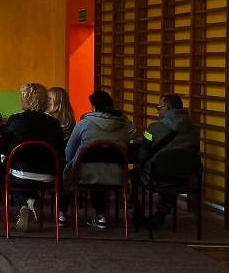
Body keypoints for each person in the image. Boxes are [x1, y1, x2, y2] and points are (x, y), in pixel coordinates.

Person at [64, 90, 136, 229]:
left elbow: (69, 152)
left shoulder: (83, 124)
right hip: (117, 175)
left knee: (95, 170)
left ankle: (96, 215)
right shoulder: (123, 124)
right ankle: (100, 215)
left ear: (94, 107)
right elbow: (133, 133)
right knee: (103, 170)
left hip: (86, 175)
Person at [0, 83, 65, 232]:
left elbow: (3, 145)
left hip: (19, 173)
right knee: (26, 179)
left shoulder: (15, 120)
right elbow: (60, 150)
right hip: (47, 175)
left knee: (2, 174)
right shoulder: (54, 123)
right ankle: (29, 201)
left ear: (26, 99)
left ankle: (27, 201)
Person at [132, 94, 200, 224]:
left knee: (135, 174)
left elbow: (143, 155)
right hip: (184, 177)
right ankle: (162, 212)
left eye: (159, 107)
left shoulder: (152, 129)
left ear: (167, 108)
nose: (158, 111)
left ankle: (135, 210)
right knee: (171, 171)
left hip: (156, 177)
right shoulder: (195, 130)